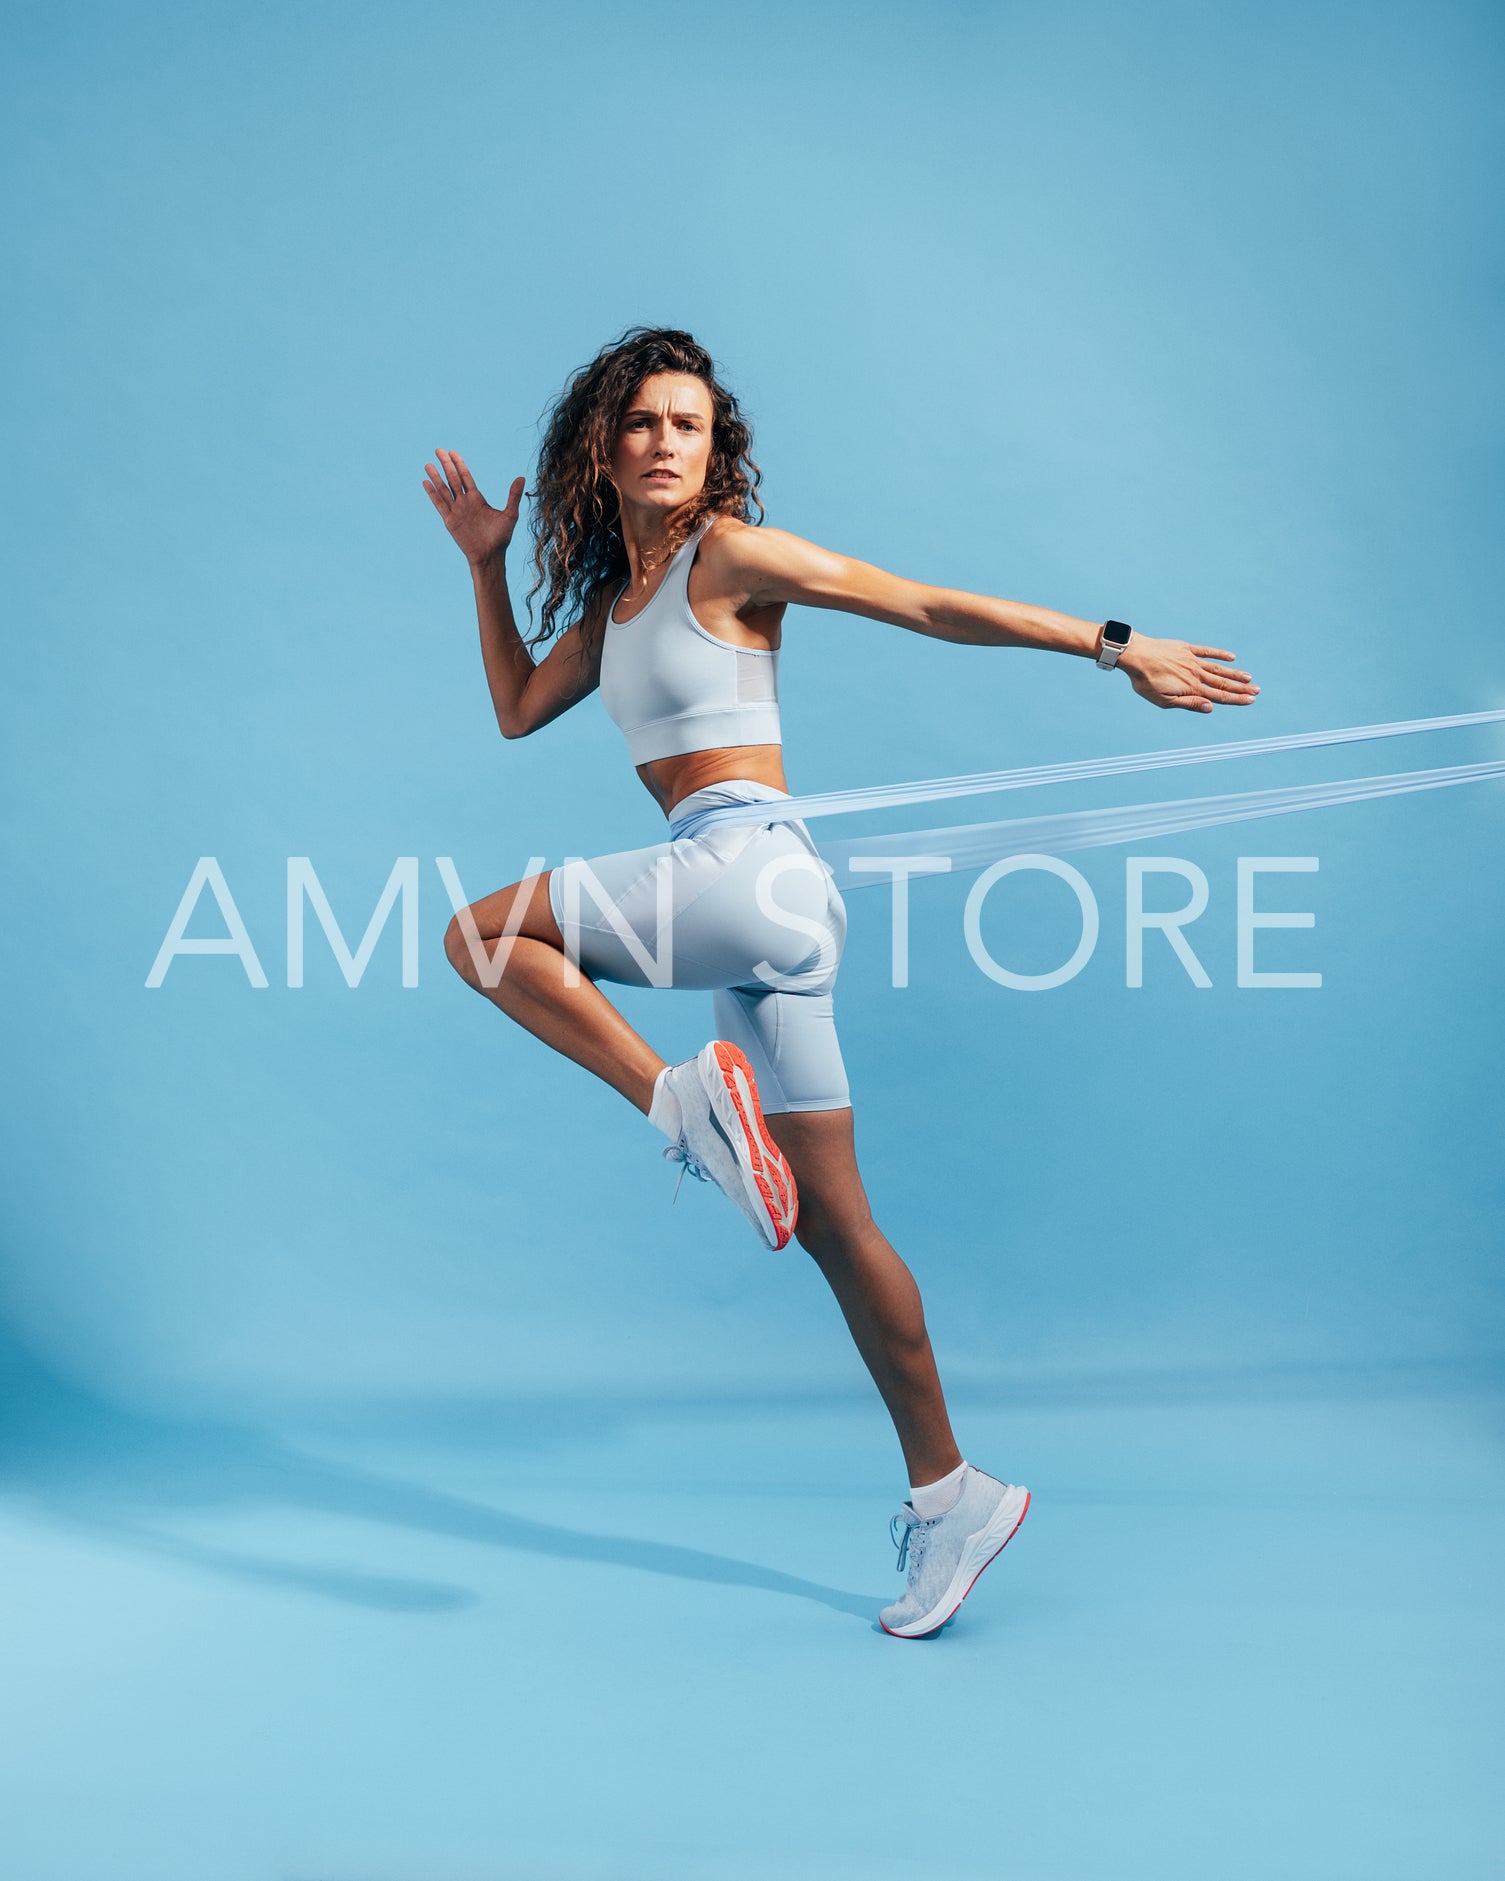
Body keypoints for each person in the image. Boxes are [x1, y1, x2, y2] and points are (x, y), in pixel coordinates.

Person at [423, 326, 1259, 1638]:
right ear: (604, 441)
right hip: (768, 909)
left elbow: (916, 601)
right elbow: (520, 708)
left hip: (747, 868)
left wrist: (1115, 642)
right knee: (832, 1227)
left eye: (685, 424)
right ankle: (950, 1496)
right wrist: (483, 566)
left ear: (714, 453)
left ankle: (677, 1105)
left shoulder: (731, 556)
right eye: (639, 420)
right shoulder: (611, 612)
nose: (660, 440)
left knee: (482, 938)